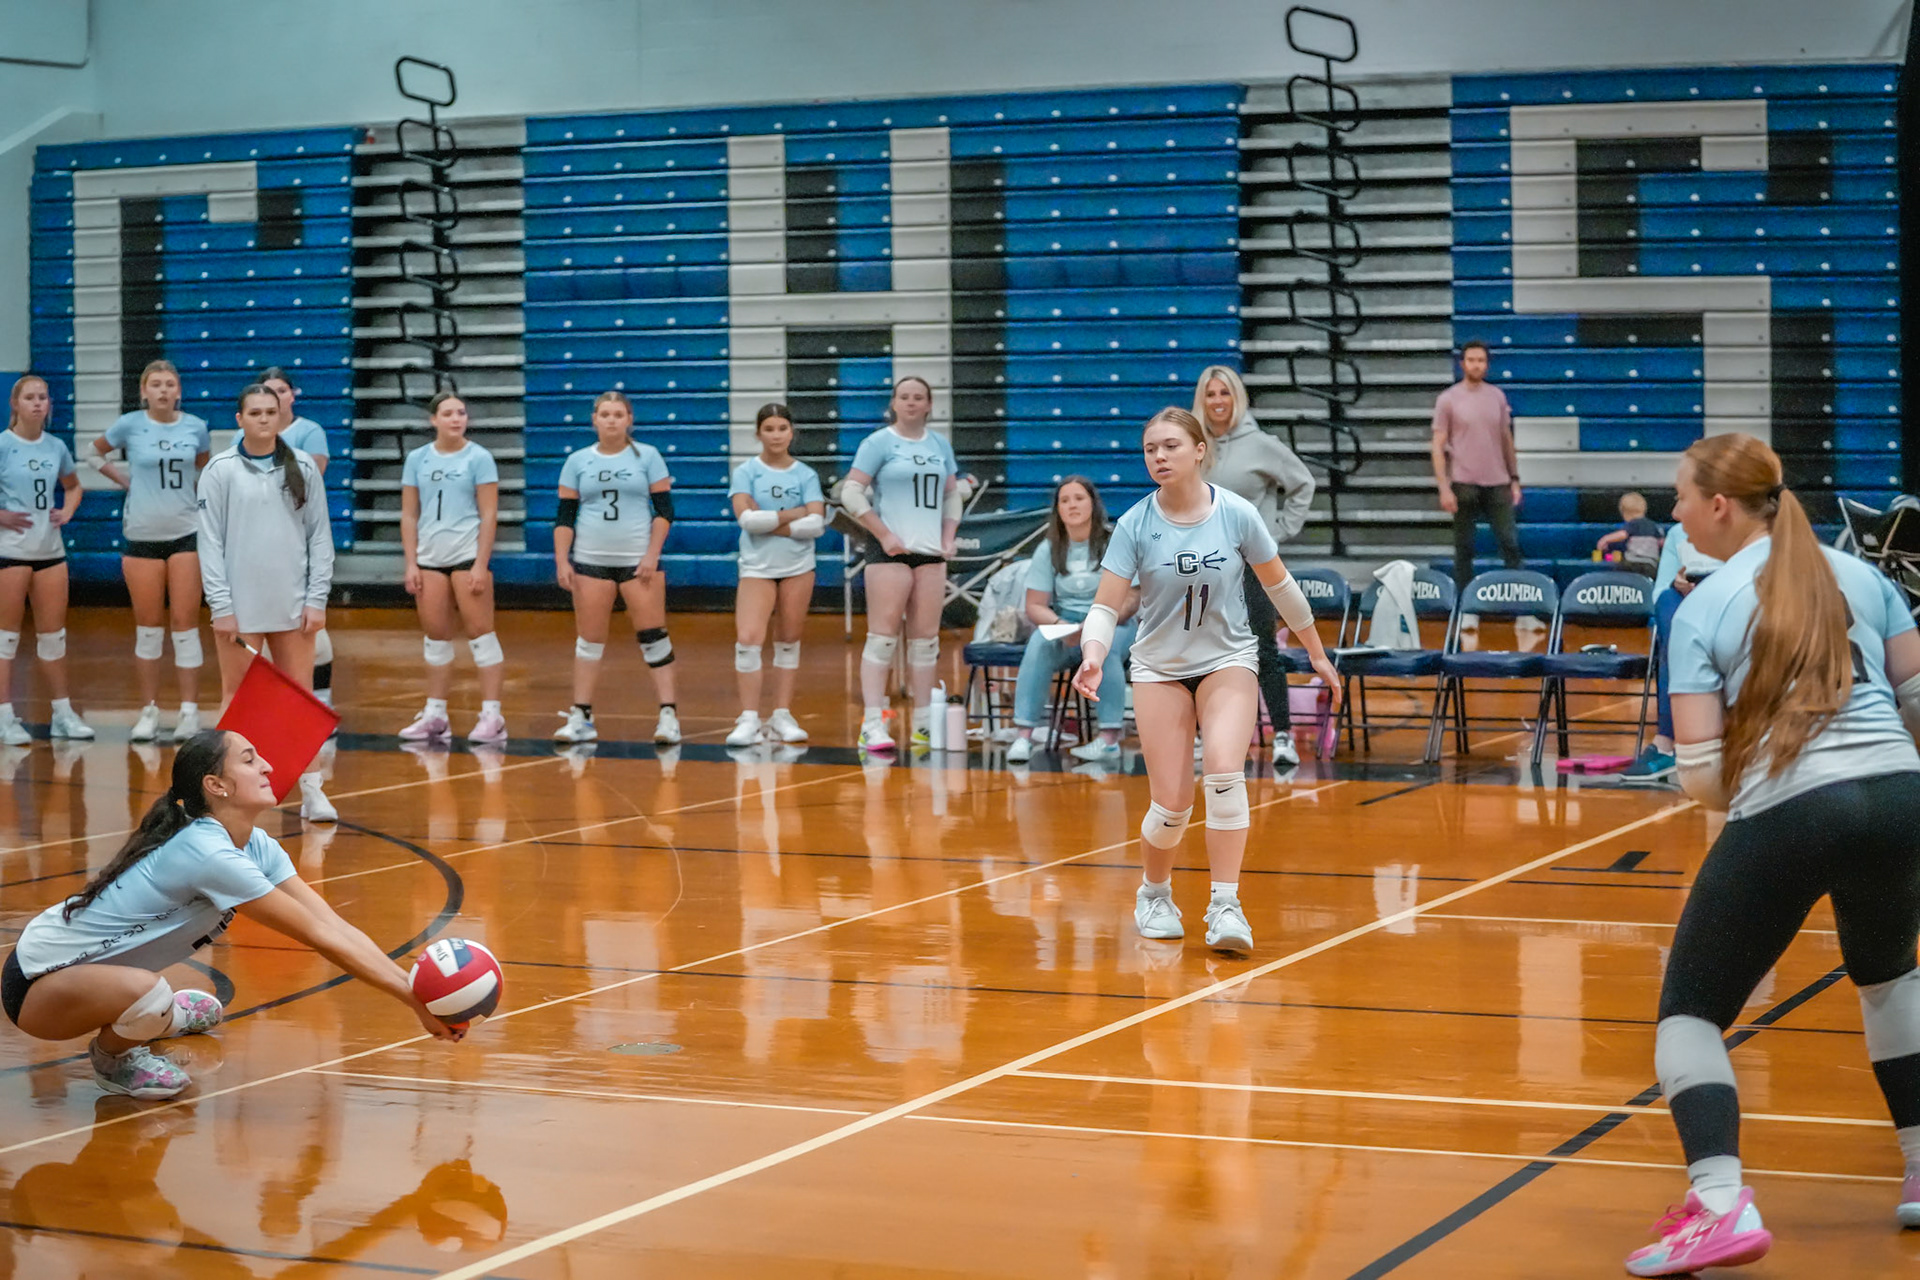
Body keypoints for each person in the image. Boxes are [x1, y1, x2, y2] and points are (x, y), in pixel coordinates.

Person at [1623, 432, 1920, 1276]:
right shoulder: (1861, 576)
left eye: (1682, 496)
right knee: (1890, 977)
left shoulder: (1703, 606)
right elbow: (1916, 700)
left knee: (1689, 1014)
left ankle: (1719, 1204)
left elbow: (1703, 778)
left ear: (1719, 506)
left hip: (1795, 807)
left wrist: (1774, 783)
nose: (1675, 511)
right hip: (1900, 794)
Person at [2, 730, 461, 1101]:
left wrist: (414, 989)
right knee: (150, 994)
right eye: (249, 759)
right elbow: (319, 937)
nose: (267, 766)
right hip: (38, 986)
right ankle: (113, 1057)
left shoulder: (256, 845)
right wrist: (414, 1002)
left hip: (83, 977)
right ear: (216, 785)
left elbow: (333, 925)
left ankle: (162, 1016)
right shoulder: (208, 853)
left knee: (155, 999)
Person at [1071, 408, 1339, 956]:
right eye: (1150, 449)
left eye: (1170, 446)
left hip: (1227, 659)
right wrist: (1093, 654)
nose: (1159, 456)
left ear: (1199, 451)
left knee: (1223, 773)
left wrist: (1316, 652)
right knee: (1171, 806)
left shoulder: (1237, 513)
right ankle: (1154, 894)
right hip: (1159, 668)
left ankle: (1225, 905)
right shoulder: (1135, 524)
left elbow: (1281, 587)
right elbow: (1105, 606)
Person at [197, 384, 335, 822]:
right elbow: (209, 543)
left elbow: (320, 537)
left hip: (293, 605)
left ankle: (312, 791)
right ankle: (220, 794)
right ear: (239, 419)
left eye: (269, 412)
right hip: (239, 607)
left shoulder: (304, 468)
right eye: (254, 412)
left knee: (300, 698)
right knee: (236, 698)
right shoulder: (220, 469)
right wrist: (221, 605)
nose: (262, 419)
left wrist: (316, 598)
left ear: (280, 417)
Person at [1194, 365, 1316, 768]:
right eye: (1211, 394)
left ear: (1237, 398)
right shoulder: (1193, 445)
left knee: (1263, 648)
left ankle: (1282, 736)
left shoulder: (1262, 444)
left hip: (1251, 564)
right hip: (1204, 565)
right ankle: (1207, 735)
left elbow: (1303, 483)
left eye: (1224, 393)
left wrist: (1276, 532)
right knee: (1203, 648)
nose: (1218, 401)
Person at [841, 376, 964, 752]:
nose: (911, 402)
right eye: (904, 396)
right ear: (894, 403)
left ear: (929, 404)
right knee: (882, 638)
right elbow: (850, 492)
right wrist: (882, 534)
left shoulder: (939, 444)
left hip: (930, 553)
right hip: (889, 553)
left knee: (925, 642)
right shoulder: (878, 442)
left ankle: (924, 724)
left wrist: (948, 536)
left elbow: (952, 494)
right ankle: (873, 724)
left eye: (918, 397)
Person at [91, 360, 211, 743]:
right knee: (147, 629)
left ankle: (189, 712)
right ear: (144, 391)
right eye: (155, 384)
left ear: (179, 391)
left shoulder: (196, 427)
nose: (163, 390)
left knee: (185, 625)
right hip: (142, 535)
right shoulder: (129, 424)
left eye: (169, 384)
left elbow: (204, 470)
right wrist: (126, 481)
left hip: (186, 533)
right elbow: (94, 454)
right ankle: (149, 711)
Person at [551, 390, 677, 746]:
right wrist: (562, 559)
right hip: (590, 560)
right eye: (604, 414)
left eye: (618, 414)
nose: (611, 420)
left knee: (654, 638)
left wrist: (651, 554)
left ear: (629, 420)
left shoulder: (648, 456)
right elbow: (565, 517)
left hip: (638, 562)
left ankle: (668, 715)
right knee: (589, 642)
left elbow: (665, 511)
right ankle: (581, 716)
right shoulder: (577, 461)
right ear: (594, 420)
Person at [398, 392, 506, 744]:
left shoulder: (479, 457)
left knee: (481, 634)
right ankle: (436, 715)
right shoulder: (417, 459)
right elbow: (409, 514)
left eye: (461, 413)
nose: (456, 418)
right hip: (429, 557)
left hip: (466, 554)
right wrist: (411, 563)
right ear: (434, 420)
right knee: (435, 637)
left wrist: (481, 563)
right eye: (448, 413)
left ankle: (492, 716)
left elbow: (489, 513)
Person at [1006, 476, 1137, 764]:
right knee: (1039, 644)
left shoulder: (1115, 541)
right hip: (1067, 624)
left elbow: (1131, 599)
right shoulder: (1049, 549)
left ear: (1093, 504)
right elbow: (1035, 606)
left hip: (1114, 621)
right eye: (1064, 501)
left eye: (1079, 498)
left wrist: (1097, 625)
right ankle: (1024, 736)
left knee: (1103, 646)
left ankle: (1109, 739)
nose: (1072, 505)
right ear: (1057, 510)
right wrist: (1059, 627)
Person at [726, 403, 824, 748]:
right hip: (757, 566)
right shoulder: (746, 472)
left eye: (782, 428)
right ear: (758, 433)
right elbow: (747, 520)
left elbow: (816, 524)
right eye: (769, 429)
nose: (776, 435)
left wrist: (770, 520)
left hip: (798, 566)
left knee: (788, 639)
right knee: (748, 639)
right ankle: (749, 718)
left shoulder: (805, 475)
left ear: (792, 432)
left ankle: (782, 715)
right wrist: (793, 514)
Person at [0, 374, 89, 744]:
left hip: (51, 553)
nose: (38, 403)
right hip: (11, 553)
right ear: (15, 404)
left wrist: (67, 511)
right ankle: (4, 717)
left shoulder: (55, 446)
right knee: (6, 639)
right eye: (30, 397)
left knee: (54, 639)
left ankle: (63, 715)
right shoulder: (4, 445)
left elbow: (74, 485)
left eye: (43, 397)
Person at [1619, 520, 1723, 784]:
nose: (1676, 511)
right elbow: (1659, 592)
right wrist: (1679, 586)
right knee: (1671, 614)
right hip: (1688, 608)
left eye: (1683, 500)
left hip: (1733, 605)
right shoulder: (1678, 533)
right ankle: (1665, 743)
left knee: (1687, 633)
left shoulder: (1753, 530)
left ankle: (1710, 740)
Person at [260, 367, 338, 712]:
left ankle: (319, 706)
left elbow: (307, 486)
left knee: (310, 631)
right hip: (258, 547)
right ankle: (275, 709)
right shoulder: (243, 439)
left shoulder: (309, 432)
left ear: (293, 395)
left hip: (297, 543)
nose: (275, 397)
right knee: (265, 634)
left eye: (281, 390)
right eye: (268, 391)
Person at [1431, 339, 1523, 595]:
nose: (1476, 365)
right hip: (1464, 482)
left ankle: (1518, 597)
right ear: (1462, 364)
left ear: (1487, 365)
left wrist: (1515, 479)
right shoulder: (1448, 399)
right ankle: (1464, 601)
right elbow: (1437, 445)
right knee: (1464, 547)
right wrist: (1444, 488)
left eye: (1481, 360)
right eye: (1471, 360)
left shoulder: (1497, 396)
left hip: (1498, 481)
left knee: (1510, 543)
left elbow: (1506, 439)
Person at [1596, 490, 1665, 578]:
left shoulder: (1633, 524)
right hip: (1650, 564)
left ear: (1624, 513)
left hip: (1632, 562)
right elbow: (1662, 542)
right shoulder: (1654, 526)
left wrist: (1605, 539)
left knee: (1618, 571)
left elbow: (1622, 535)